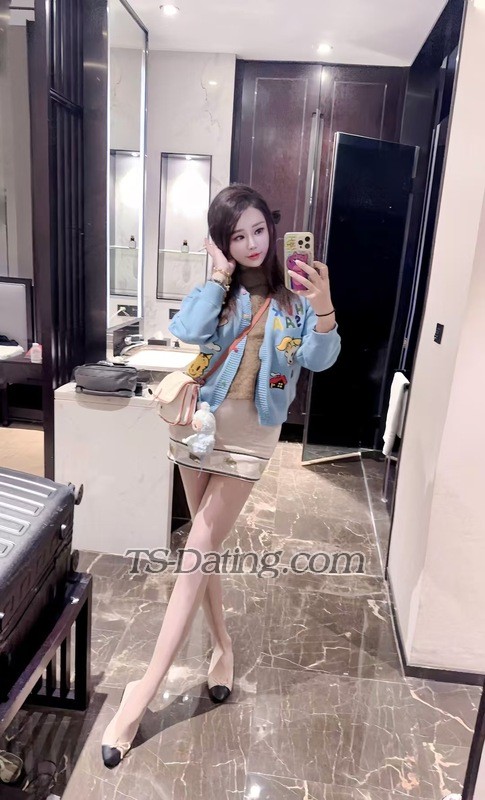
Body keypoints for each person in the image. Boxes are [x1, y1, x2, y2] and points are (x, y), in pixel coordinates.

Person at [101, 184, 341, 768]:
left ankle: (141, 693)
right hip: (196, 427)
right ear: (223, 243)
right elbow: (188, 329)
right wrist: (217, 273)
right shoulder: (219, 290)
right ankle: (224, 650)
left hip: (252, 437)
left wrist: (325, 304)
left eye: (259, 230)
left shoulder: (295, 296)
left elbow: (318, 359)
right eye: (237, 236)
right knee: (202, 552)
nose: (252, 243)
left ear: (273, 230)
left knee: (197, 550)